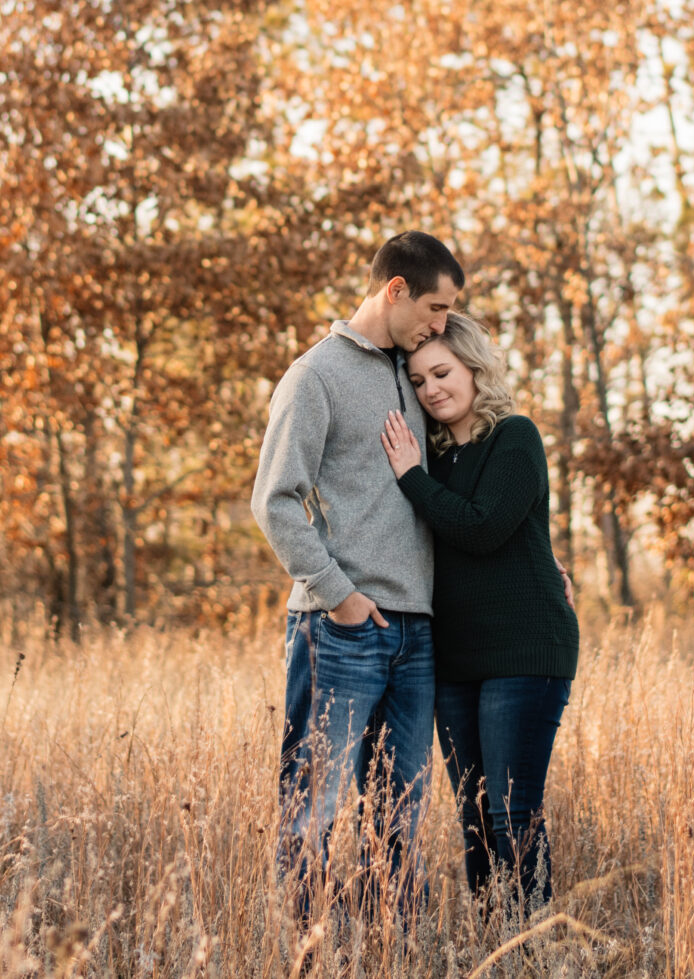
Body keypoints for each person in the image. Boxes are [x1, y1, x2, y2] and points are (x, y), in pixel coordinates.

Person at [251, 230, 466, 919]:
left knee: (401, 814)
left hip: (416, 632)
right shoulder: (314, 376)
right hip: (340, 628)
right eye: (435, 307)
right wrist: (339, 595)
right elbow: (274, 499)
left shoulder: (418, 371)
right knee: (312, 809)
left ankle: (390, 951)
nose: (443, 325)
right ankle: (305, 952)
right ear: (395, 289)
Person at [378, 309, 579, 911]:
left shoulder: (515, 437)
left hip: (525, 645)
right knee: (473, 813)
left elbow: (485, 528)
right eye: (417, 381)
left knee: (511, 812)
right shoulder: (435, 460)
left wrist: (410, 475)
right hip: (456, 656)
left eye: (441, 373)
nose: (431, 389)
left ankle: (532, 951)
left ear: (473, 368)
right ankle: (497, 942)